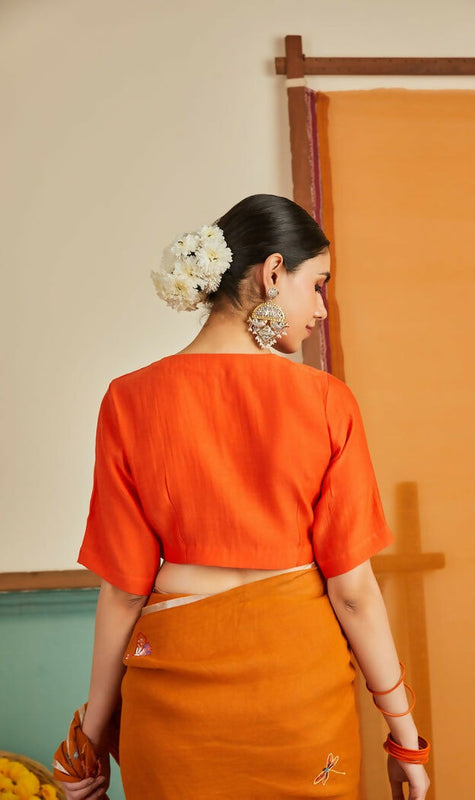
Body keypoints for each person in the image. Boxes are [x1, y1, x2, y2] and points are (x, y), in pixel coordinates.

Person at [54, 194, 430, 800]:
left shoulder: (128, 399)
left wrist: (89, 740)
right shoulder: (327, 402)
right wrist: (404, 736)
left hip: (172, 713)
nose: (322, 309)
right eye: (317, 285)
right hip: (299, 703)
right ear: (273, 272)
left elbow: (124, 590)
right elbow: (354, 592)